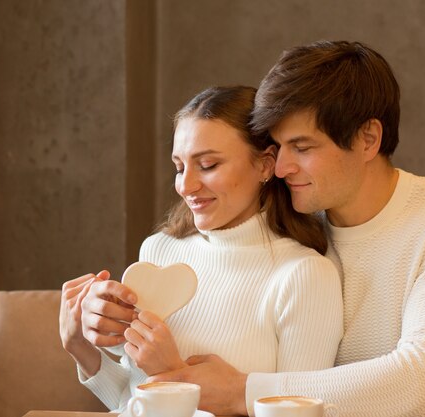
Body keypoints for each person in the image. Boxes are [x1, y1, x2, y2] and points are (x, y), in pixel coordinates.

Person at [149, 41, 425, 416]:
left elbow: (419, 389)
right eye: (279, 147)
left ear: (368, 139)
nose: (281, 168)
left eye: (302, 147)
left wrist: (242, 392)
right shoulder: (298, 231)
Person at [58, 85, 343, 413]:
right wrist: (80, 346)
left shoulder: (304, 276)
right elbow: (132, 400)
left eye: (207, 165)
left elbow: (297, 415)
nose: (185, 186)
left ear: (265, 165)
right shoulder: (159, 252)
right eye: (179, 167)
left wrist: (171, 374)